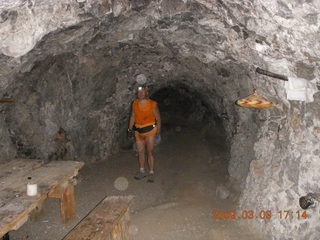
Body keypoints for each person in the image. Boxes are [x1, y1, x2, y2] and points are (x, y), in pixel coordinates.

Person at [128, 85, 161, 183]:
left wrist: (158, 133)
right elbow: (133, 116)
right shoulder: (134, 103)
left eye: (142, 92)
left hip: (150, 131)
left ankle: (151, 172)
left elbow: (158, 119)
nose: (140, 94)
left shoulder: (153, 104)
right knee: (140, 152)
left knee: (149, 152)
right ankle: (142, 171)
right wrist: (130, 129)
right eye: (139, 92)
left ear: (146, 93)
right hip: (138, 131)